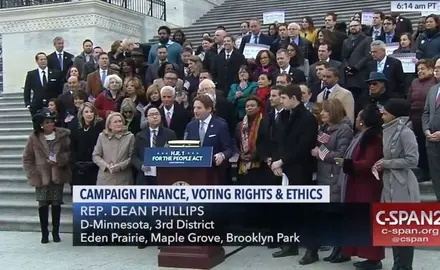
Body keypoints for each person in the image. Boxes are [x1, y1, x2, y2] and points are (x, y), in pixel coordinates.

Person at [270, 84, 318, 263]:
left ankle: (311, 250)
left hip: (300, 169)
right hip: (283, 169)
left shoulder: (308, 118)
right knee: (287, 209)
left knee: (304, 210)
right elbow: (276, 141)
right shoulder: (282, 116)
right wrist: (275, 162)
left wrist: (282, 161)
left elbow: (304, 146)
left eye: (283, 98)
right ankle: (290, 244)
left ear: (294, 98)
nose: (280, 101)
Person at [375, 98, 420, 270]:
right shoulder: (388, 130)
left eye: (385, 111)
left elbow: (412, 160)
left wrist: (386, 163)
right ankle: (397, 264)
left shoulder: (405, 132)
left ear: (394, 113)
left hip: (403, 185)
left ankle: (405, 266)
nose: (382, 114)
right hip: (389, 183)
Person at [340, 105, 385, 270]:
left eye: (359, 117)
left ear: (364, 120)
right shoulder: (362, 135)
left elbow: (369, 162)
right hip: (357, 182)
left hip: (367, 184)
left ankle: (374, 258)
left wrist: (348, 164)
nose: (357, 119)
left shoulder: (373, 137)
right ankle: (366, 256)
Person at [22, 108, 71, 244]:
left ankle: (56, 232)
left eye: (52, 121)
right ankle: (44, 233)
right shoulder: (34, 138)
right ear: (41, 125)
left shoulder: (62, 136)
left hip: (57, 175)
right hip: (41, 177)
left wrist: (59, 160)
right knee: (43, 205)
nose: (51, 124)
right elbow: (27, 158)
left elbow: (68, 153)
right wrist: (33, 173)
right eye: (47, 122)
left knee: (56, 204)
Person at [184, 94, 233, 167]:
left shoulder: (220, 125)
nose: (195, 111)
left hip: (214, 169)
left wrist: (221, 155)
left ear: (209, 109)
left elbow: (229, 150)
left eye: (199, 108)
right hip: (194, 169)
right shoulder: (190, 126)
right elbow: (185, 147)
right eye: (194, 108)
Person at [92, 112, 135, 185]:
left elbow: (133, 157)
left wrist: (121, 166)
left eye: (120, 121)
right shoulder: (102, 136)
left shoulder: (130, 137)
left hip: (124, 179)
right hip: (105, 178)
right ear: (109, 125)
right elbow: (96, 155)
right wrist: (106, 166)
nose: (118, 124)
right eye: (115, 122)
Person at [70, 102, 104, 187]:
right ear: (82, 114)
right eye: (86, 112)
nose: (89, 114)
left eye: (91, 111)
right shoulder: (76, 128)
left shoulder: (100, 127)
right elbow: (72, 147)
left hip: (95, 166)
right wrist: (75, 163)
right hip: (79, 166)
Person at [236, 96, 264, 185]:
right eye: (247, 106)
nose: (249, 108)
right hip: (243, 163)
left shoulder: (265, 122)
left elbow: (265, 142)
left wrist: (254, 156)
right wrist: (240, 155)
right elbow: (235, 142)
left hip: (259, 164)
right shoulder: (240, 125)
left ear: (259, 108)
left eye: (252, 105)